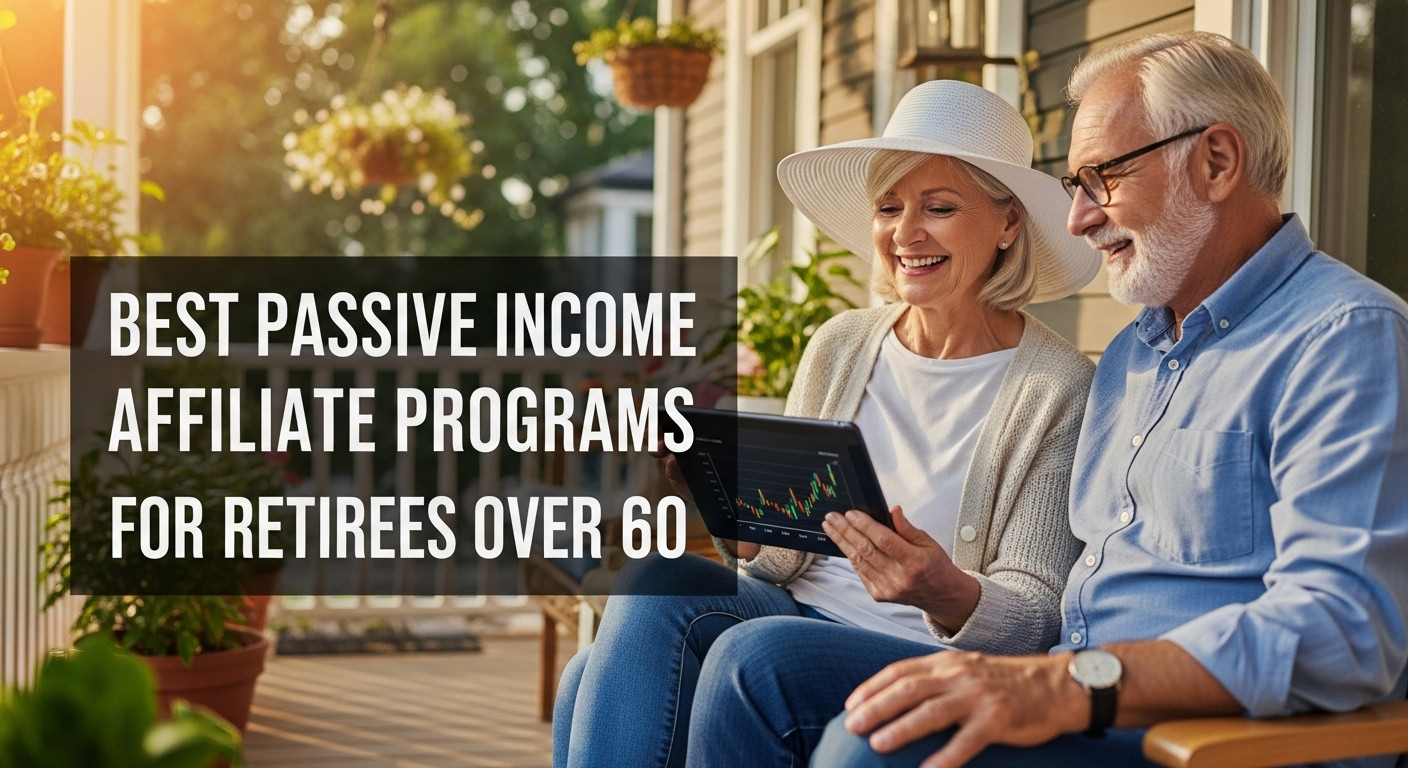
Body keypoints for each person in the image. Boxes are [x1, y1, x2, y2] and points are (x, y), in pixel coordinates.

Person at [688, 31, 1408, 768]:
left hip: (1200, 737)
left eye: (1105, 179)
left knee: (871, 743)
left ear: (1216, 162)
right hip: (1076, 690)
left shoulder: (1342, 337)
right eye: (1077, 187)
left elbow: (1344, 631)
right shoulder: (1134, 355)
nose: (1079, 218)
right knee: (759, 666)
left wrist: (1068, 681)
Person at [550, 80, 1102, 768]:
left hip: (915, 649)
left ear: (1008, 223)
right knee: (654, 585)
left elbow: (1037, 620)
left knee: (633, 671)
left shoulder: (1059, 388)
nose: (906, 233)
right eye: (890, 207)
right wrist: (722, 500)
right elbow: (780, 560)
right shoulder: (841, 344)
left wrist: (942, 587)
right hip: (788, 611)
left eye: (939, 207)